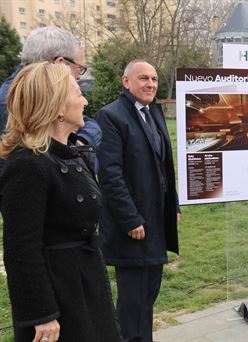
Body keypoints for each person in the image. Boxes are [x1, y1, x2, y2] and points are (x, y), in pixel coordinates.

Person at [0, 62, 120, 342]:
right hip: (60, 296)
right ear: (56, 108)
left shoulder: (69, 154)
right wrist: (42, 315)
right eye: (78, 93)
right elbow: (20, 250)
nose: (86, 101)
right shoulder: (28, 165)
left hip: (86, 284)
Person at [95, 59, 180, 342]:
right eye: (144, 78)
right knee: (132, 302)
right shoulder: (111, 116)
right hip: (132, 225)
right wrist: (130, 218)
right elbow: (110, 174)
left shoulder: (152, 113)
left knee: (148, 295)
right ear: (126, 81)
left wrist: (173, 206)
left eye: (154, 79)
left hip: (155, 220)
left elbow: (165, 166)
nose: (151, 84)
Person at [0, 26, 101, 175]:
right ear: (59, 63)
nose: (79, 77)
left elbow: (91, 125)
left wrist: (79, 141)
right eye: (79, 68)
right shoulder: (15, 103)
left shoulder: (24, 95)